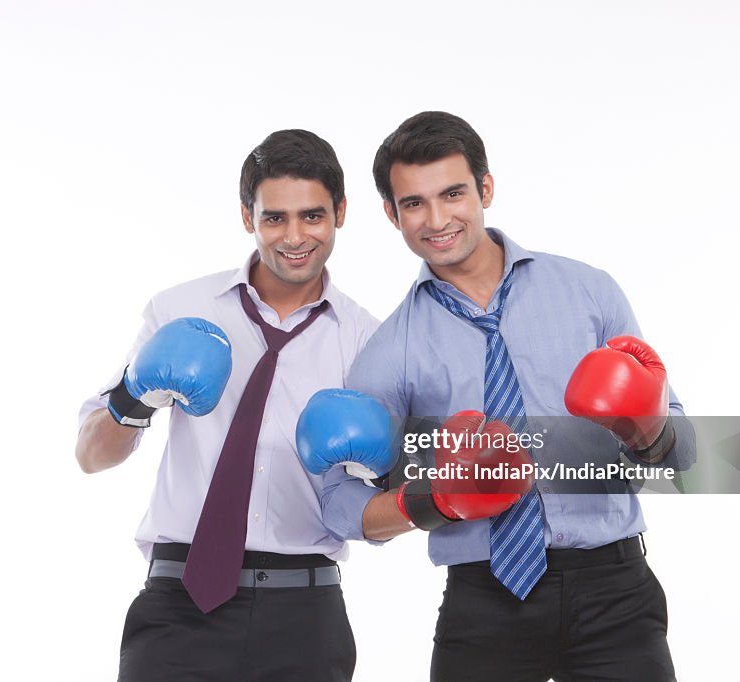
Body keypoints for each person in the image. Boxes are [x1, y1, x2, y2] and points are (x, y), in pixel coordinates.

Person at [299, 111, 696, 681]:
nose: (437, 220)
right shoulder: (390, 351)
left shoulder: (588, 291)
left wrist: (648, 430)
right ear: (391, 213)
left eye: (453, 193)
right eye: (414, 203)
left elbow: (685, 456)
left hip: (616, 594)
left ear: (485, 188)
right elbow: (336, 502)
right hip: (484, 600)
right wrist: (428, 501)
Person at [74, 128, 382, 682]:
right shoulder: (180, 308)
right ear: (247, 217)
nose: (294, 236)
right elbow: (91, 456)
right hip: (179, 604)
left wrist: (393, 478)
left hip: (305, 616)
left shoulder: (366, 342)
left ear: (340, 212)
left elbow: (376, 506)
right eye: (274, 218)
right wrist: (133, 395)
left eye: (312, 216)